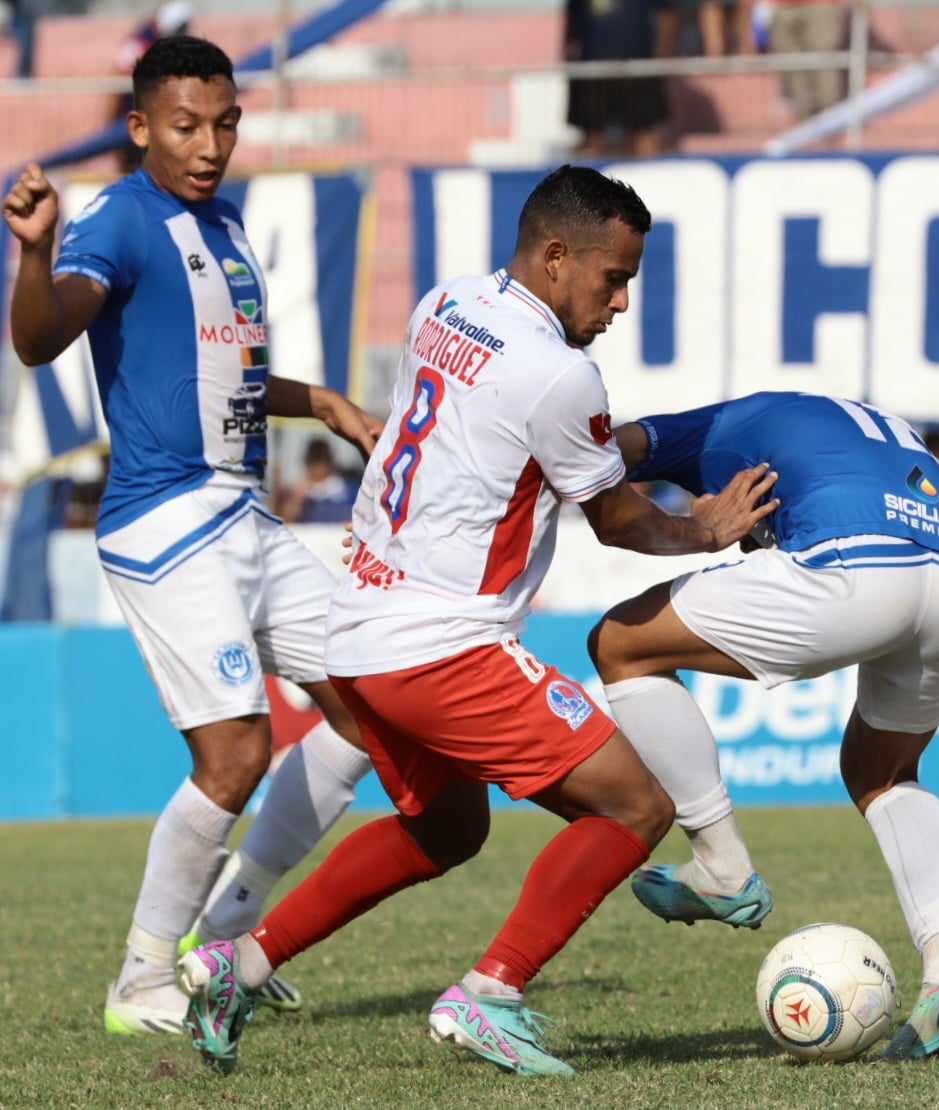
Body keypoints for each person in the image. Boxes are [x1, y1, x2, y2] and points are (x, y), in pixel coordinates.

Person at [177, 164, 778, 1077]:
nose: (619, 302)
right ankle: (489, 994)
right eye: (612, 278)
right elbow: (617, 523)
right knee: (636, 803)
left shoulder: (446, 302)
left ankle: (239, 963)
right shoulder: (559, 373)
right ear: (553, 255)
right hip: (440, 646)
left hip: (356, 628)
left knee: (447, 831)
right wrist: (705, 528)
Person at [3, 35, 383, 1037]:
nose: (209, 144)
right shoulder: (117, 221)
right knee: (235, 753)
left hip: (244, 515)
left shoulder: (223, 224)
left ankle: (221, 938)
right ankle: (140, 980)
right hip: (167, 520)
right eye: (184, 126)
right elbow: (42, 337)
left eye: (224, 123)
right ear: (138, 129)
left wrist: (324, 401)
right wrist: (36, 254)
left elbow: (231, 377)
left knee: (374, 703)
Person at [586, 391, 939, 1059]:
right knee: (880, 774)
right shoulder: (861, 440)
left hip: (849, 567)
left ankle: (721, 868)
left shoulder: (710, 429)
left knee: (620, 645)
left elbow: (591, 454)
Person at [565, 0, 674, 157]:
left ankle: (643, 180)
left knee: (645, 138)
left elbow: (666, 15)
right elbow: (572, 20)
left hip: (639, 68)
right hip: (592, 69)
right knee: (592, 140)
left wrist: (661, 62)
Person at [110, 3, 194, 174]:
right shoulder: (141, 42)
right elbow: (116, 80)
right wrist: (110, 129)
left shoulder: (173, 46)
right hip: (135, 124)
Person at [274, 437, 359, 524]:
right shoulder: (298, 491)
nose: (318, 468)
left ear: (330, 463)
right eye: (314, 462)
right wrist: (296, 500)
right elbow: (285, 522)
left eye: (322, 462)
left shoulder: (348, 490)